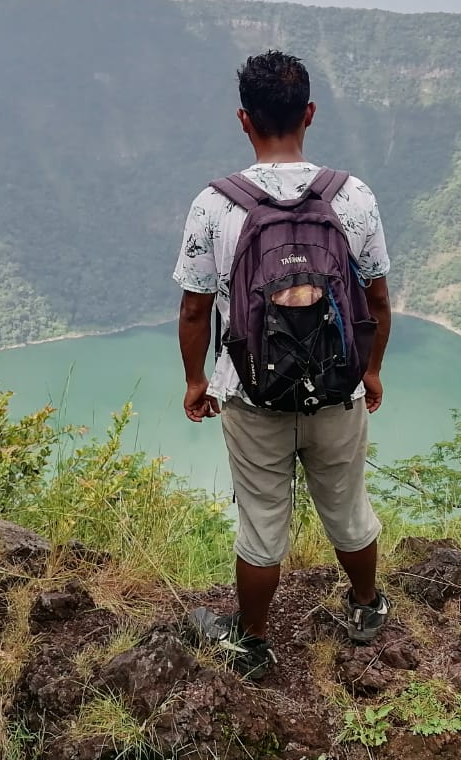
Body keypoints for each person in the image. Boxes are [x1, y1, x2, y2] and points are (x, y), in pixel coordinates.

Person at [172, 50, 393, 680]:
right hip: (337, 388)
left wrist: (197, 381)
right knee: (347, 507)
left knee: (262, 521)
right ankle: (366, 607)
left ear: (244, 119)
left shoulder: (215, 204)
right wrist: (370, 369)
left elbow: (194, 310)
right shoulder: (351, 195)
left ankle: (252, 641)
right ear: (310, 114)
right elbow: (375, 296)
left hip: (250, 392)